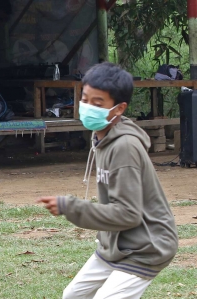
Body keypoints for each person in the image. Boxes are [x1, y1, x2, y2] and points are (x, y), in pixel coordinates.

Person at [37, 62, 178, 299]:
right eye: (85, 99)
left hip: (146, 247)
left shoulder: (124, 146)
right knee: (72, 296)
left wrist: (70, 207)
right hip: (114, 246)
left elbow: (128, 214)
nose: (87, 107)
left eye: (98, 103)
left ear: (119, 108)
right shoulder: (101, 135)